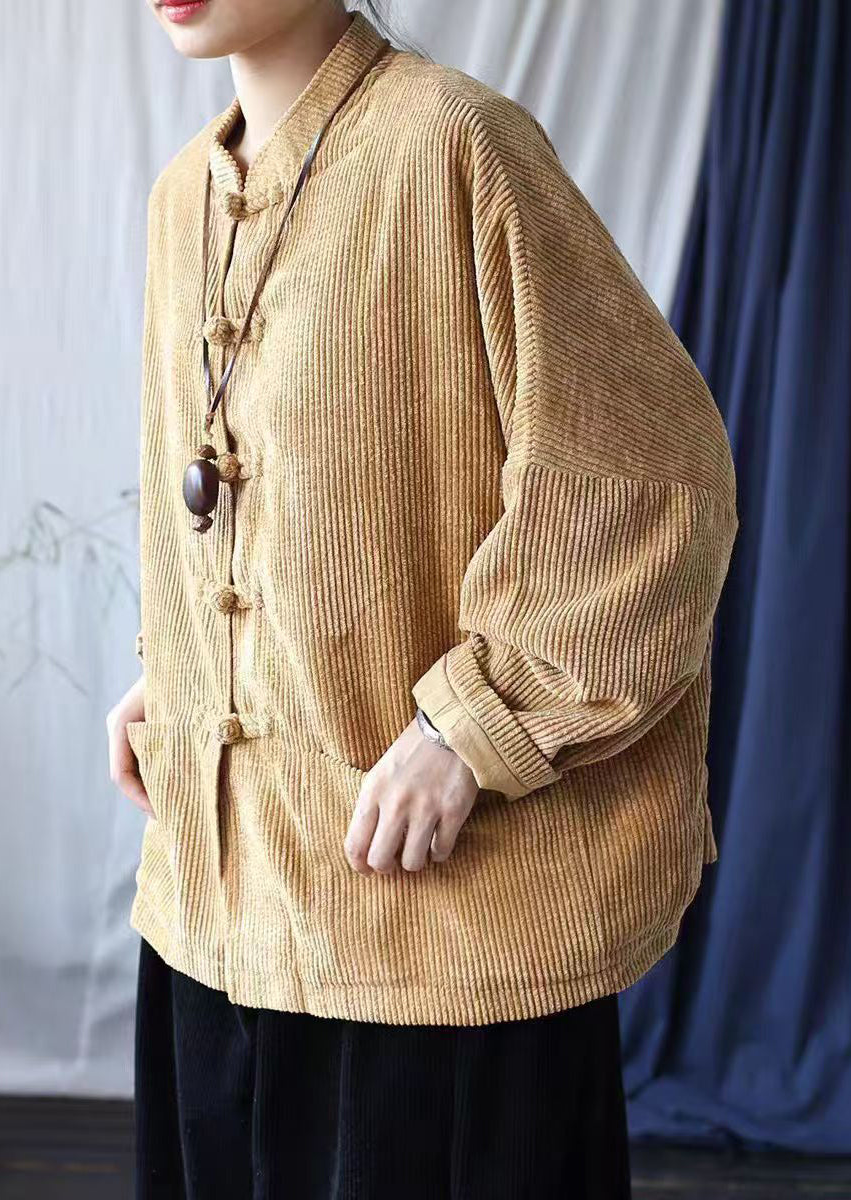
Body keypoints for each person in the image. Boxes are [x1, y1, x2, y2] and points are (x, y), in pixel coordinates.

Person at [106, 1, 739, 1196]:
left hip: (433, 937)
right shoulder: (182, 196)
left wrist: (471, 725)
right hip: (216, 906)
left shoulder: (458, 145)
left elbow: (649, 481)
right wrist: (175, 667)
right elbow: (231, 490)